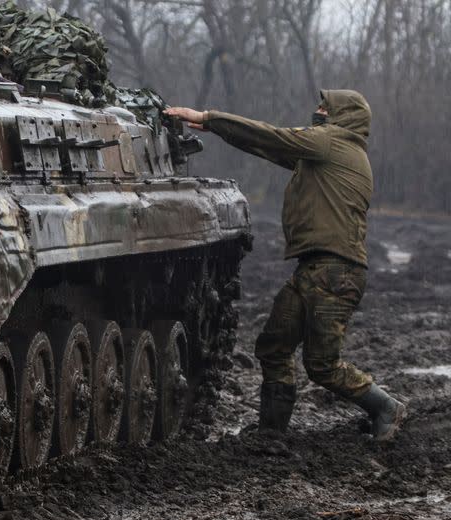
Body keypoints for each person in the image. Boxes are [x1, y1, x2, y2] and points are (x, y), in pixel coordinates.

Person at [164, 91, 406, 441]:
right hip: (316, 269)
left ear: (344, 117)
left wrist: (209, 118)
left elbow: (271, 136)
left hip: (335, 272)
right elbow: (268, 146)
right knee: (274, 345)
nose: (318, 111)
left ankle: (385, 407)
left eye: (326, 108)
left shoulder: (334, 143)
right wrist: (219, 129)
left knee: (323, 364)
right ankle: (271, 434)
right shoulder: (328, 153)